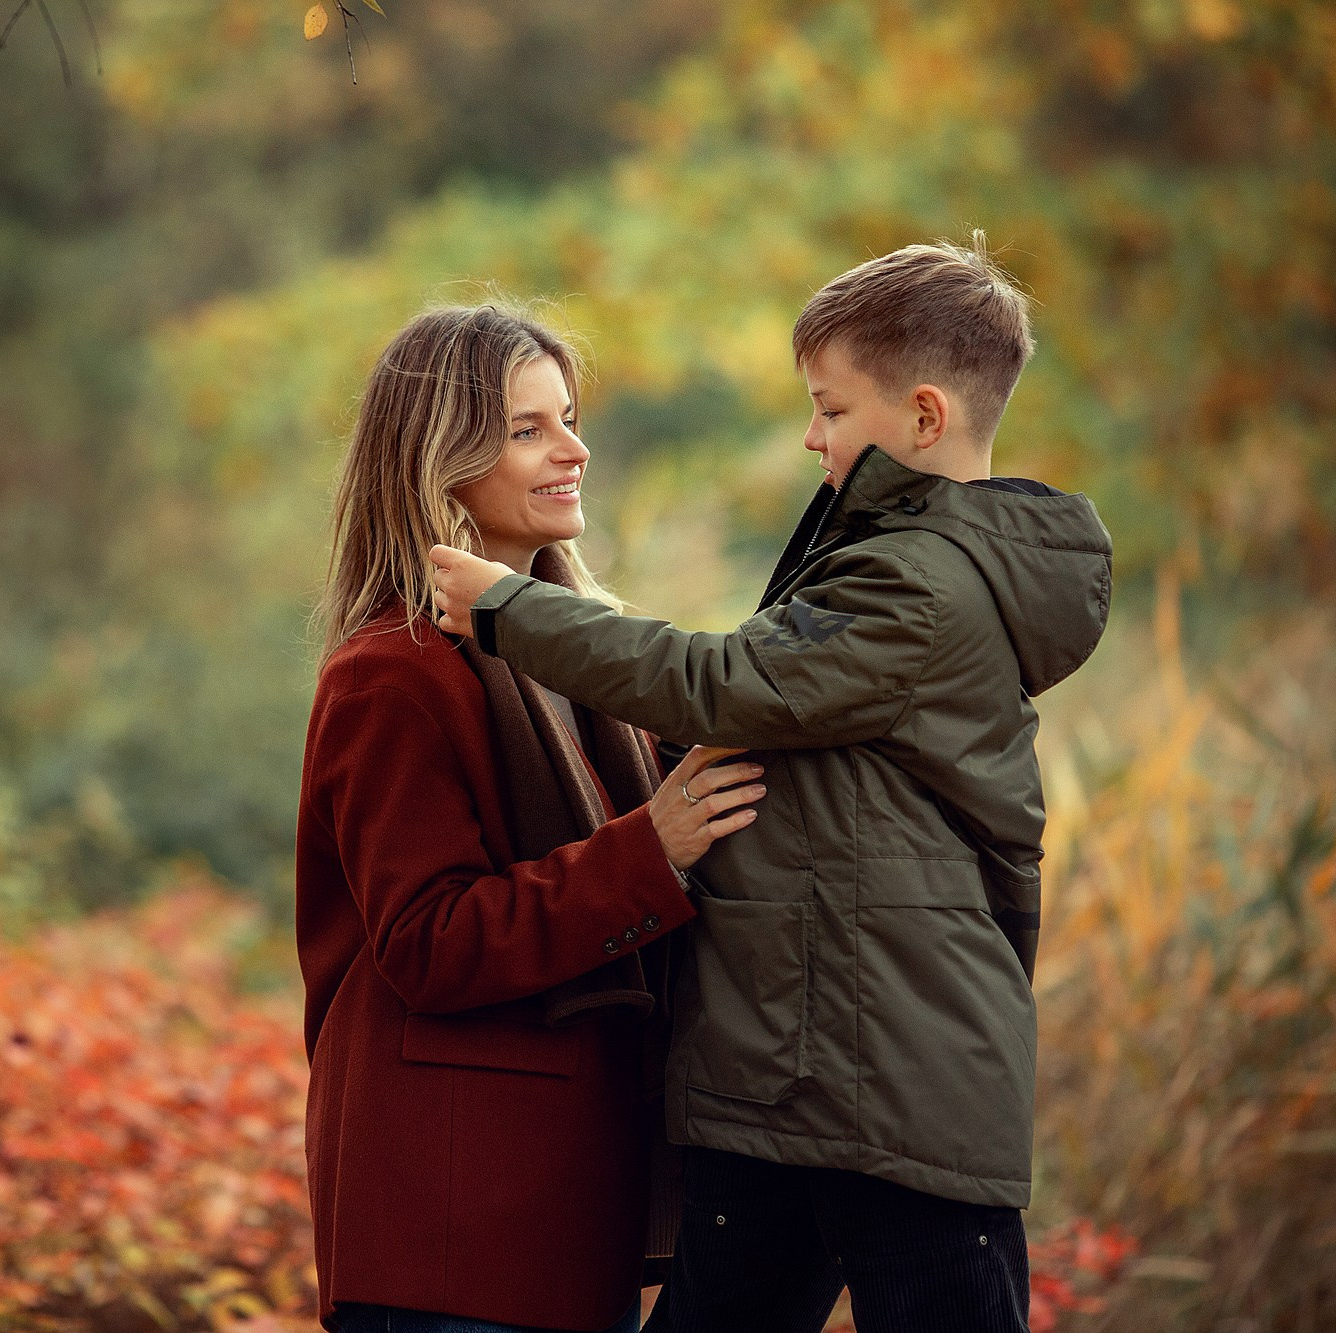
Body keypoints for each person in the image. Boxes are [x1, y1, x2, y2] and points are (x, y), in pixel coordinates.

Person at [429, 235, 1114, 1332]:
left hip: (896, 1095)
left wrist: (510, 610)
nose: (811, 436)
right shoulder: (882, 559)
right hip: (791, 1078)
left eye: (830, 410)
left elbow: (723, 682)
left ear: (923, 418)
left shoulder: (917, 583)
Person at [297, 304, 767, 1333]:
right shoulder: (393, 674)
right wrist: (652, 849)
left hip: (557, 1217)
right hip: (448, 1228)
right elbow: (428, 942)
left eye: (568, 417)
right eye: (527, 429)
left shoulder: (576, 665)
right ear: (439, 461)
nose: (573, 449)